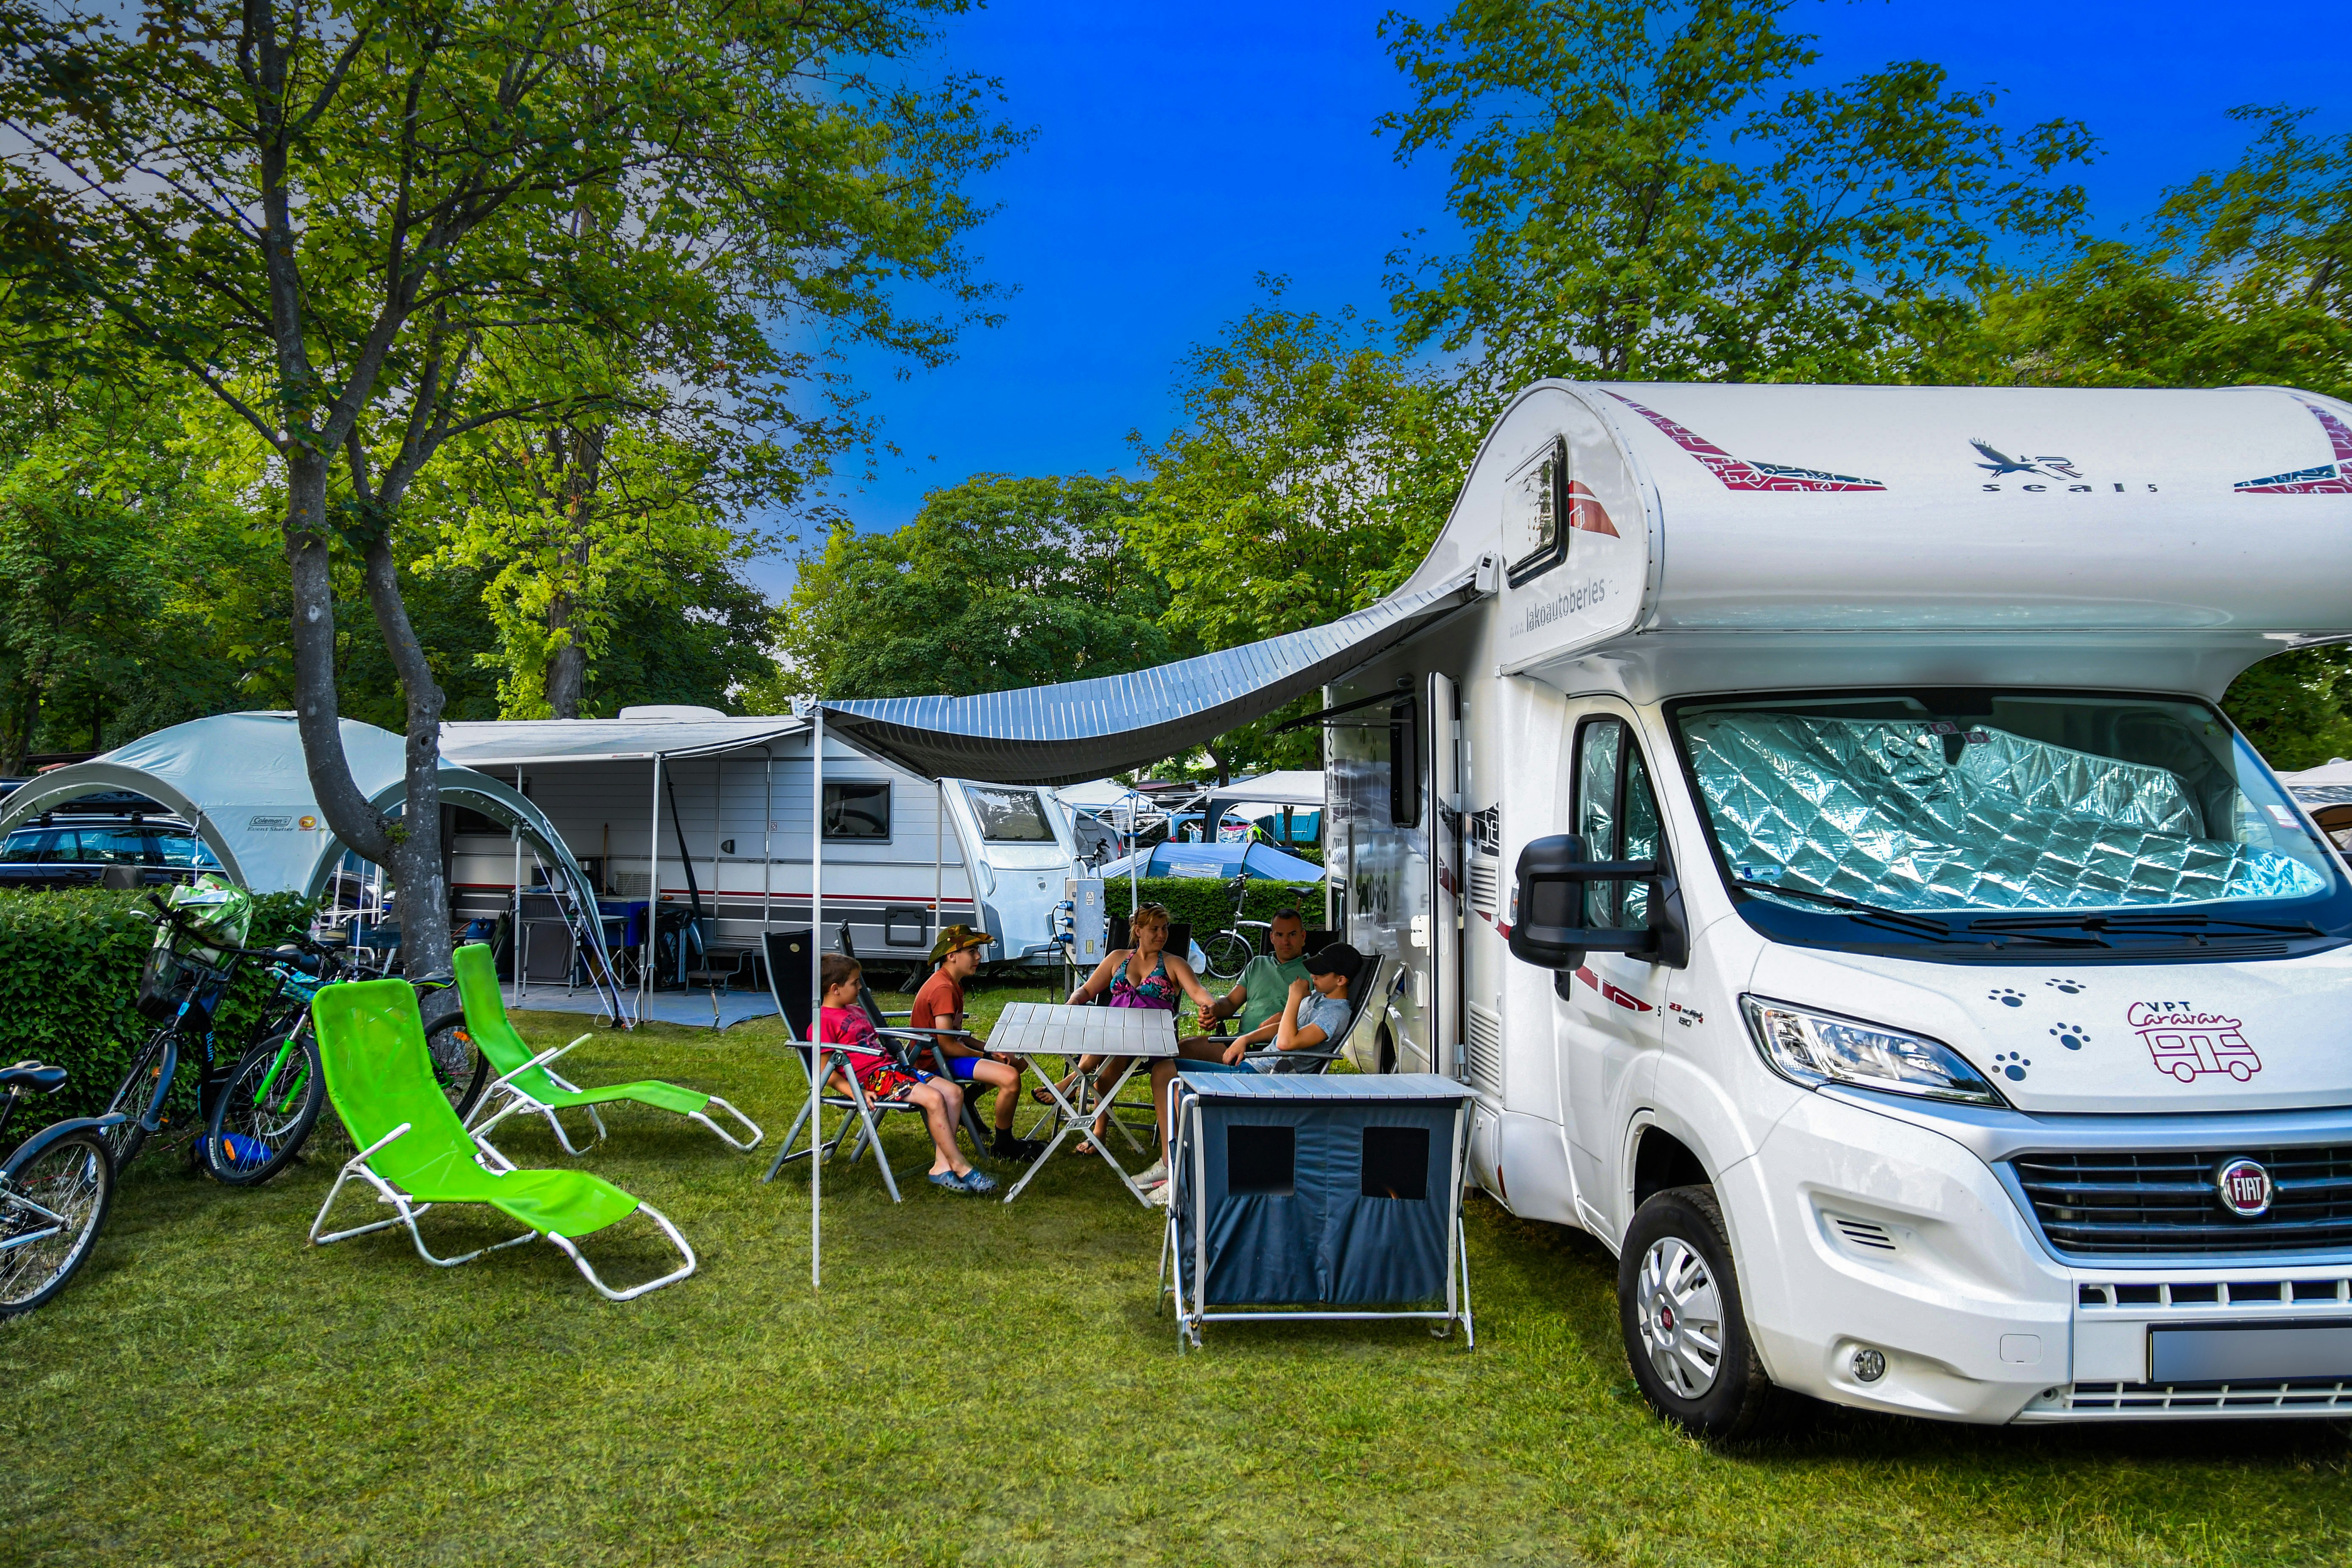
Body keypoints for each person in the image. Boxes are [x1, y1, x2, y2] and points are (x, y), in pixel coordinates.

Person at [1140, 940, 1362, 1205]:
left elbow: (1287, 1042)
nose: (1313, 976)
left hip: (1265, 1081)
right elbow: (1281, 1025)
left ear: (1341, 980)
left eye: (1321, 973)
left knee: (1179, 1088)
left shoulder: (1335, 1014)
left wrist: (1294, 998)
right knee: (1164, 1069)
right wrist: (1245, 1039)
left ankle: (1184, 1176)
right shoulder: (1319, 999)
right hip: (1252, 1068)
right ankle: (1170, 1160)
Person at [817, 953, 995, 1195]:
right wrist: (856, 1092)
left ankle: (941, 1166)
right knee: (934, 1099)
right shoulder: (823, 1021)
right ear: (836, 989)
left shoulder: (856, 1012)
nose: (861, 988)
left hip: (893, 1070)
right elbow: (824, 1071)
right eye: (855, 983)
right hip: (871, 1079)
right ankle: (961, 1166)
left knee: (953, 1092)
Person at [1047, 903, 1218, 1156]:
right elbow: (1087, 990)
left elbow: (1199, 993)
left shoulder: (1174, 964)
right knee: (1111, 1057)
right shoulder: (1118, 958)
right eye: (1154, 929)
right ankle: (1099, 1130)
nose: (1162, 935)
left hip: (1154, 1040)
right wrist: (1074, 1001)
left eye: (1165, 928)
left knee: (1109, 1046)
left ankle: (1076, 1079)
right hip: (1115, 1038)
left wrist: (1209, 1007)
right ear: (1138, 931)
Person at [909, 924, 1044, 1162]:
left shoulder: (952, 983)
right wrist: (988, 1057)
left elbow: (955, 1035)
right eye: (972, 951)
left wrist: (988, 1048)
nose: (979, 956)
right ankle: (1004, 1144)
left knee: (1017, 1062)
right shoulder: (942, 989)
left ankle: (969, 1099)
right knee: (1010, 1078)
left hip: (947, 1056)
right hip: (935, 1064)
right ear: (951, 956)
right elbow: (947, 1046)